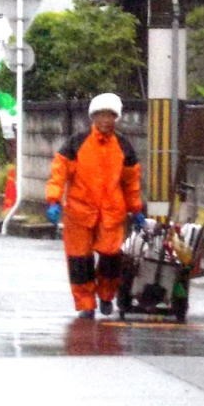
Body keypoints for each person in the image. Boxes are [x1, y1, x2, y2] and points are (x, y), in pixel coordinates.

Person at [45, 93, 144, 319]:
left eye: (110, 115)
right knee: (79, 260)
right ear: (93, 117)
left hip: (112, 212)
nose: (105, 120)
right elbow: (58, 173)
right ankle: (86, 304)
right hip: (79, 212)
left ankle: (107, 295)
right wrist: (53, 199)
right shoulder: (76, 143)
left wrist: (136, 209)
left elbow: (132, 182)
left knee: (112, 258)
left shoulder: (123, 147)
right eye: (101, 115)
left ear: (116, 118)